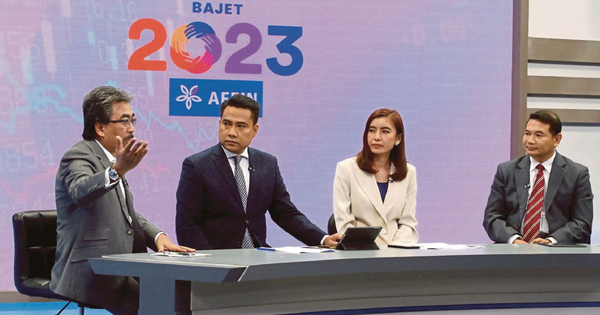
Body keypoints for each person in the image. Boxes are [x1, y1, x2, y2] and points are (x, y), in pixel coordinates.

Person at [51, 86, 194, 315]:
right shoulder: (78, 155)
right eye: (124, 121)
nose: (131, 129)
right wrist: (115, 171)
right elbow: (80, 191)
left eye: (132, 120)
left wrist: (157, 236)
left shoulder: (113, 160)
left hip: (122, 263)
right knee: (158, 305)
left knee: (181, 295)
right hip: (93, 267)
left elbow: (126, 213)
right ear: (100, 127)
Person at [175, 94, 342, 249]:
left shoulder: (267, 164)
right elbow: (187, 225)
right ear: (219, 124)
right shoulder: (197, 166)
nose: (232, 132)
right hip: (216, 261)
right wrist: (211, 263)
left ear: (255, 130)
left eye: (241, 126)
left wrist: (322, 239)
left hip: (258, 258)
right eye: (227, 124)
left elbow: (285, 213)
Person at [483, 110, 593, 244]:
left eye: (539, 135)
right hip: (514, 248)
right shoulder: (506, 171)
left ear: (556, 139)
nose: (530, 140)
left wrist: (551, 241)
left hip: (557, 250)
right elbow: (492, 217)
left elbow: (582, 223)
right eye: (527, 133)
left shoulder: (577, 174)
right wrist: (514, 240)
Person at [333, 109, 418, 247]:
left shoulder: (409, 172)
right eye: (372, 130)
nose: (376, 137)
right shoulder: (346, 169)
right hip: (360, 252)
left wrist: (395, 250)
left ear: (398, 138)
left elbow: (407, 223)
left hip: (396, 251)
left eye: (385, 131)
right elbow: (344, 223)